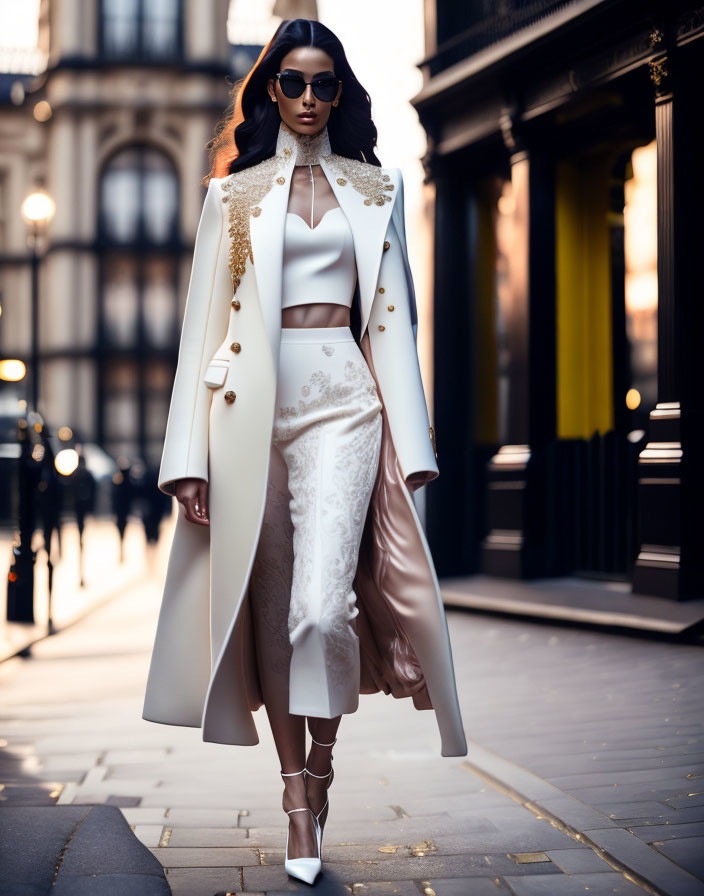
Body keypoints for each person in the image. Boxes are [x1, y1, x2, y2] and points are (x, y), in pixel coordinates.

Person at [142, 18, 467, 885]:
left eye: (326, 84)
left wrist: (417, 440)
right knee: (276, 612)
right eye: (294, 83)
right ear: (271, 91)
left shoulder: (376, 188)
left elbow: (394, 323)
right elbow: (201, 327)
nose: (311, 99)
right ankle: (296, 797)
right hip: (250, 409)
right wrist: (188, 456)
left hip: (345, 404)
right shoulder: (235, 197)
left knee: (323, 609)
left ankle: (321, 764)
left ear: (341, 93)